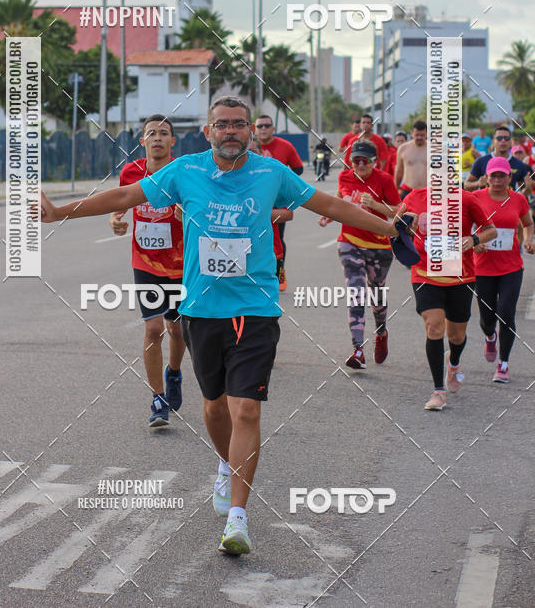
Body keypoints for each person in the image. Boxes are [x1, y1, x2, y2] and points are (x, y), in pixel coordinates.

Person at [38, 96, 406, 555]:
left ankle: (237, 517)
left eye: (239, 124)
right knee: (213, 409)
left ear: (250, 130)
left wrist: (387, 226)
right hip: (201, 310)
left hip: (256, 308)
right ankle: (224, 462)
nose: (230, 131)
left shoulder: (271, 173)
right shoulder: (185, 171)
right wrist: (59, 212)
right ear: (208, 131)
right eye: (222, 125)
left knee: (245, 410)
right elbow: (124, 197)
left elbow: (328, 204)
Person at [109, 115, 186, 428]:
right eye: (151, 133)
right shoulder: (131, 171)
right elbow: (119, 205)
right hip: (145, 262)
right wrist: (115, 221)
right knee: (153, 329)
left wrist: (186, 215)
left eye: (164, 133)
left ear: (172, 142)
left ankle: (175, 373)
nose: (157, 138)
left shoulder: (183, 173)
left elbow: (198, 211)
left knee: (177, 330)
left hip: (180, 264)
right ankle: (158, 398)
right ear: (142, 141)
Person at [404, 188, 496, 410]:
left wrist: (473, 239)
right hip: (425, 273)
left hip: (460, 277)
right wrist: (407, 228)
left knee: (456, 336)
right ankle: (438, 391)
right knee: (434, 327)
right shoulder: (415, 197)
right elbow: (397, 228)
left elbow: (490, 230)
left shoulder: (466, 198)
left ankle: (453, 363)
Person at [319, 140, 402, 368]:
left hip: (379, 245)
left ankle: (381, 332)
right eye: (356, 160)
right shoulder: (345, 177)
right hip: (349, 242)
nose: (360, 164)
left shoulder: (384, 179)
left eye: (365, 160)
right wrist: (329, 215)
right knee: (356, 292)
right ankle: (357, 349)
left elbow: (399, 210)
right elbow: (338, 201)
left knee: (377, 295)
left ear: (375, 161)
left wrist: (376, 205)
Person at [473, 157, 534, 383]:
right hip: (482, 267)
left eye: (502, 175)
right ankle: (490, 336)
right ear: (486, 178)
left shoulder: (518, 199)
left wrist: (528, 240)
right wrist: (474, 241)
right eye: (493, 176)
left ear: (510, 177)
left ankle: (504, 363)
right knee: (487, 319)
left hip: (511, 268)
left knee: (507, 314)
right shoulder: (476, 198)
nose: (497, 180)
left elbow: (527, 223)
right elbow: (464, 224)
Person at [255, 114, 304, 292]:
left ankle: (279, 271)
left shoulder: (285, 146)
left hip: (275, 201)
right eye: (259, 126)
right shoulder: (244, 146)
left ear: (273, 128)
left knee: (277, 237)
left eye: (266, 125)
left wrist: (283, 186)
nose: (263, 129)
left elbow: (298, 168)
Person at [249, 137, 293, 288]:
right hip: (238, 253)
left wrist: (256, 215)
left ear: (262, 153)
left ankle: (281, 274)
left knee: (266, 302)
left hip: (269, 251)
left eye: (253, 152)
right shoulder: (226, 181)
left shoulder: (273, 180)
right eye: (245, 152)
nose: (249, 156)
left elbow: (288, 214)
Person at [465, 126, 532, 194]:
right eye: (499, 138)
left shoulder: (519, 164)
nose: (503, 141)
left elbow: (523, 191)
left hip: (508, 203)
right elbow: (466, 185)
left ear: (510, 142)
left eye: (506, 138)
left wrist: (528, 188)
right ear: (493, 141)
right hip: (485, 204)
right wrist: (477, 183)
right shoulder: (481, 161)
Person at [394, 119, 428, 199]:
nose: (419, 137)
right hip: (408, 191)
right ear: (412, 133)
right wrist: (395, 190)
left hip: (427, 192)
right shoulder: (403, 149)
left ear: (426, 133)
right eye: (417, 135)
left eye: (422, 135)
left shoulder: (434, 149)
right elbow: (399, 173)